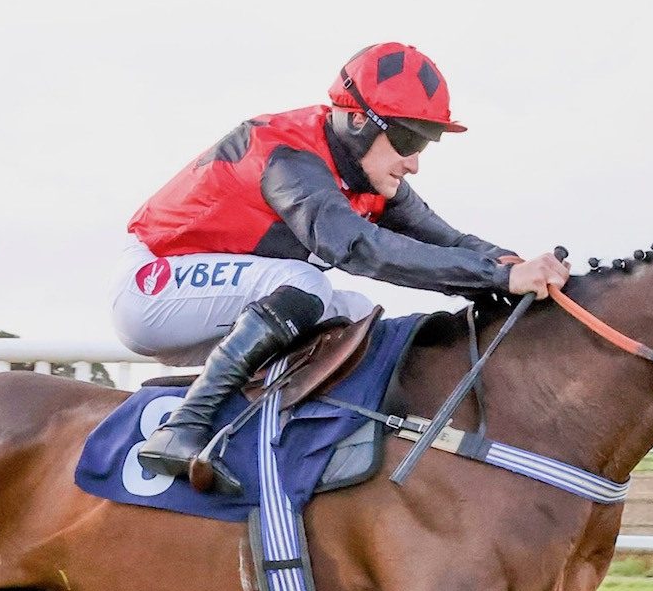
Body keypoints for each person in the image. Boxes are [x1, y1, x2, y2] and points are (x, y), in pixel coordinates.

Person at [112, 41, 569, 483]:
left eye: (424, 143)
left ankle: (289, 445)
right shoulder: (287, 156)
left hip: (216, 301)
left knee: (356, 316)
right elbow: (355, 248)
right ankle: (182, 429)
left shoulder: (366, 170)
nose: (413, 163)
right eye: (407, 138)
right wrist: (500, 277)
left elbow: (446, 240)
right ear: (355, 121)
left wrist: (517, 267)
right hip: (153, 286)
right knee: (306, 282)